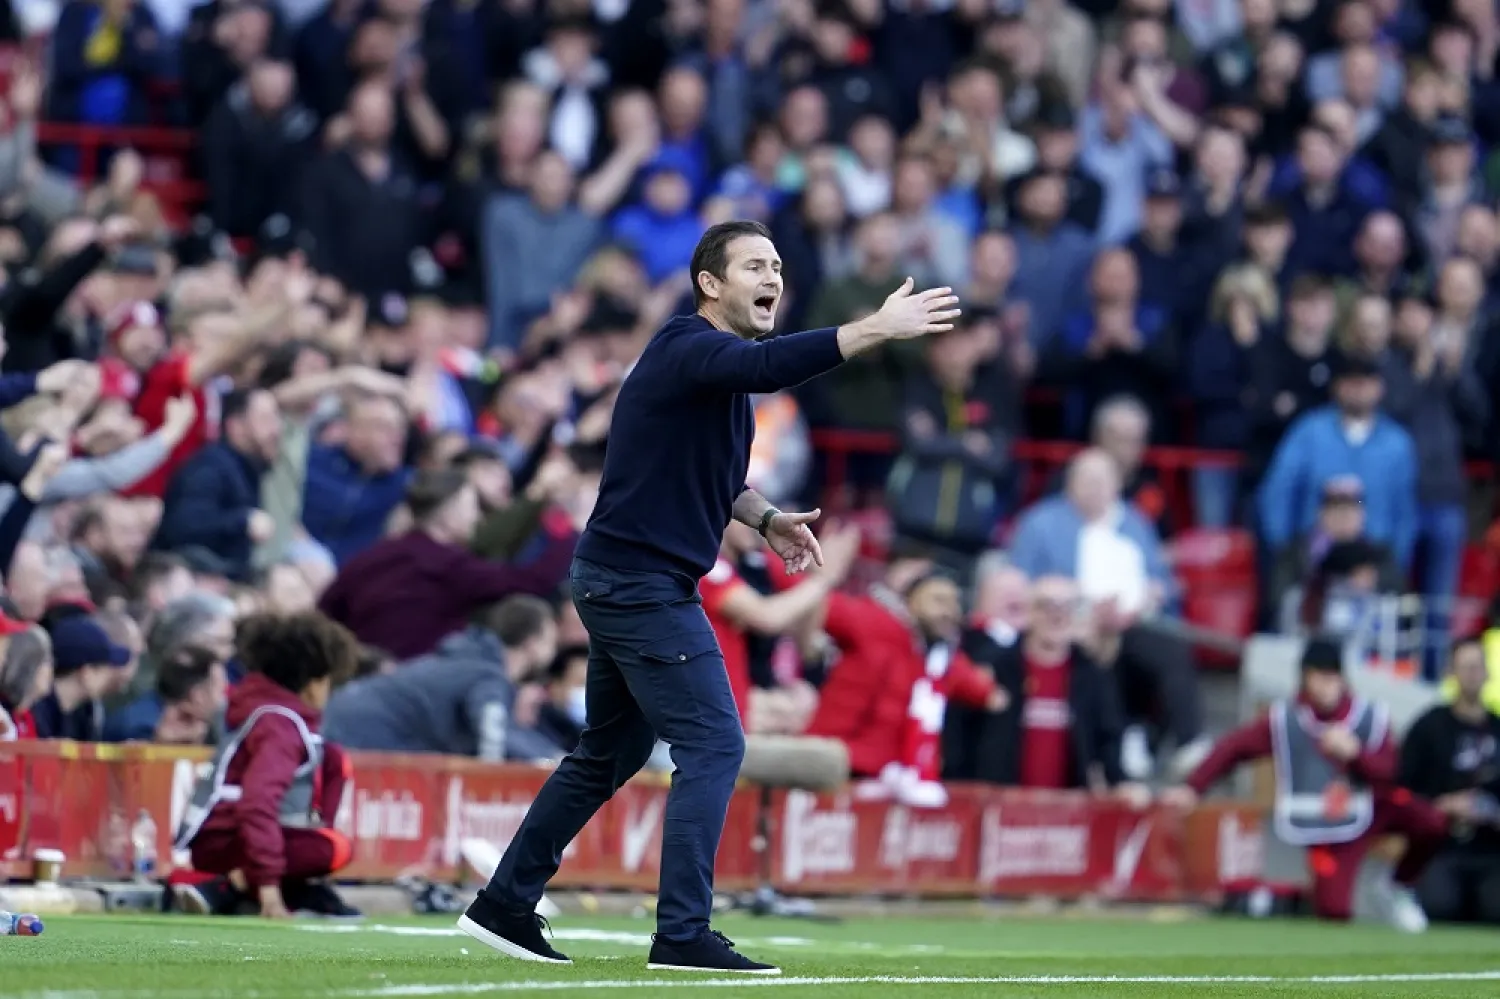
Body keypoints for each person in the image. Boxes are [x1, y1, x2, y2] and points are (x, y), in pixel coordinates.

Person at [458, 219, 959, 974]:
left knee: (609, 751)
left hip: (623, 578)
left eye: (779, 266)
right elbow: (774, 369)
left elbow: (720, 475)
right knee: (715, 744)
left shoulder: (716, 371)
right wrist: (875, 328)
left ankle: (503, 904)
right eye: (755, 265)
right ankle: (682, 933)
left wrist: (765, 519)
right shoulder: (687, 346)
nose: (773, 278)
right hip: (639, 584)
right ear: (710, 284)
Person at [1163, 636, 1446, 931]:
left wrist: (1355, 755)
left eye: (1329, 677)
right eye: (1315, 677)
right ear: (1303, 679)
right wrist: (1193, 787)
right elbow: (1234, 747)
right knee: (1334, 911)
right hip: (1328, 826)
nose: (1323, 687)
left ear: (1341, 678)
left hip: (1373, 807)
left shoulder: (1369, 716)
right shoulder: (1286, 719)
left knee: (1432, 822)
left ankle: (1398, 885)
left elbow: (1390, 771)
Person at [170, 612, 360, 920]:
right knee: (334, 847)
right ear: (313, 682)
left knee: (334, 759)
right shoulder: (280, 726)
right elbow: (257, 804)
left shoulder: (272, 715)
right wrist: (269, 886)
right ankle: (232, 886)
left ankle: (293, 889)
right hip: (223, 843)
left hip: (223, 838)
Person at [322, 595, 562, 761]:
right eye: (551, 639)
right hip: (361, 738)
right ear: (533, 642)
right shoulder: (486, 676)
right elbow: (495, 737)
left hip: (341, 721)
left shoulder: (466, 661)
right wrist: (557, 761)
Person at [1400, 638, 1500, 924]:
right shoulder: (1429, 727)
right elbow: (1404, 789)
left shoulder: (1497, 729)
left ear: (1488, 672)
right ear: (1451, 673)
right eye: (1465, 667)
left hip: (1492, 849)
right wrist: (1440, 805)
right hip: (1442, 847)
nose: (1472, 674)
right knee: (1441, 906)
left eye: (1477, 667)